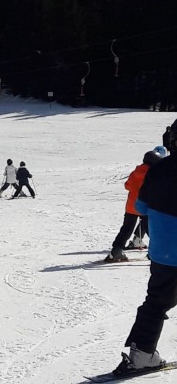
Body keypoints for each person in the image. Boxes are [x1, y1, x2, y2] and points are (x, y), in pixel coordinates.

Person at [114, 119, 177, 376]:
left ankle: (141, 356)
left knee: (155, 303)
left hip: (163, 252)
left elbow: (141, 207)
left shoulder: (158, 169)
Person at [106, 150, 163, 262]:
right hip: (146, 205)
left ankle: (116, 251)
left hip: (131, 206)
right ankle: (158, 252)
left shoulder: (135, 171)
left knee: (126, 229)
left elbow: (127, 186)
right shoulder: (153, 172)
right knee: (152, 229)